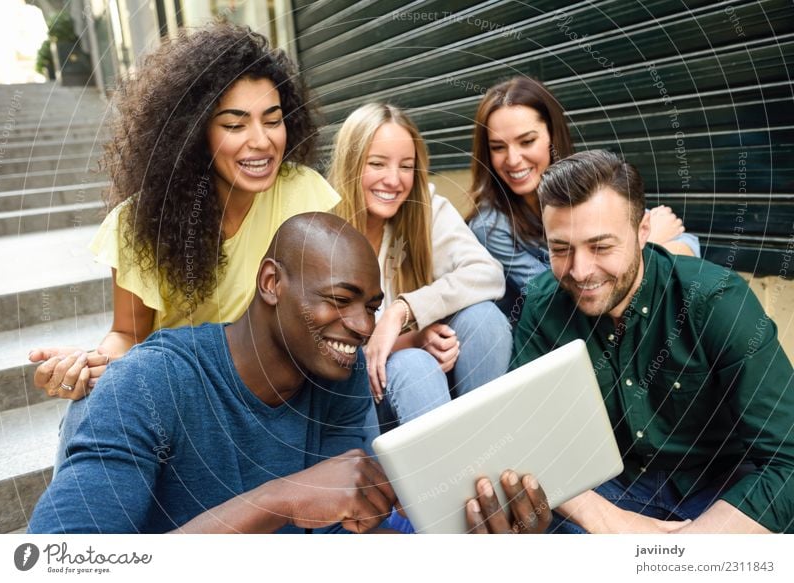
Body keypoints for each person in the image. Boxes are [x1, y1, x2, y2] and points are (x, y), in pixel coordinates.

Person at [28, 213, 550, 534]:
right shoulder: (147, 384)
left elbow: (347, 539)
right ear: (272, 283)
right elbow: (60, 563)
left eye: (371, 306)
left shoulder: (338, 379)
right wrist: (277, 499)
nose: (362, 326)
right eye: (340, 300)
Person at [27, 25, 339, 461]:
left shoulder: (304, 193)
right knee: (92, 410)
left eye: (273, 120)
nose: (261, 140)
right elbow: (127, 333)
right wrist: (92, 365)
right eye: (235, 124)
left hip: (277, 391)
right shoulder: (139, 223)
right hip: (182, 394)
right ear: (193, 133)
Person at [512, 150, 794, 533]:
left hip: (719, 488)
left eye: (601, 247)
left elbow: (787, 458)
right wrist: (615, 525)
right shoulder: (541, 305)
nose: (579, 271)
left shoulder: (716, 300)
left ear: (643, 230)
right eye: (561, 249)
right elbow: (526, 435)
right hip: (609, 490)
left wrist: (680, 555)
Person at [329, 103, 511, 430]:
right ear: (351, 164)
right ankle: (451, 475)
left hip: (424, 396)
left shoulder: (424, 210)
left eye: (406, 166)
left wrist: (404, 311)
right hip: (355, 398)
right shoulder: (323, 231)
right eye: (377, 164)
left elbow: (488, 274)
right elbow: (328, 355)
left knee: (485, 321)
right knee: (415, 365)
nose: (394, 180)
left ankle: (484, 450)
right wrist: (413, 339)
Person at [467, 76, 700, 319]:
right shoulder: (490, 226)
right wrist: (651, 246)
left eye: (527, 141)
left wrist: (643, 252)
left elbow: (687, 242)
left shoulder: (585, 181)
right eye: (498, 147)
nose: (513, 159)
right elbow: (560, 296)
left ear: (553, 136)